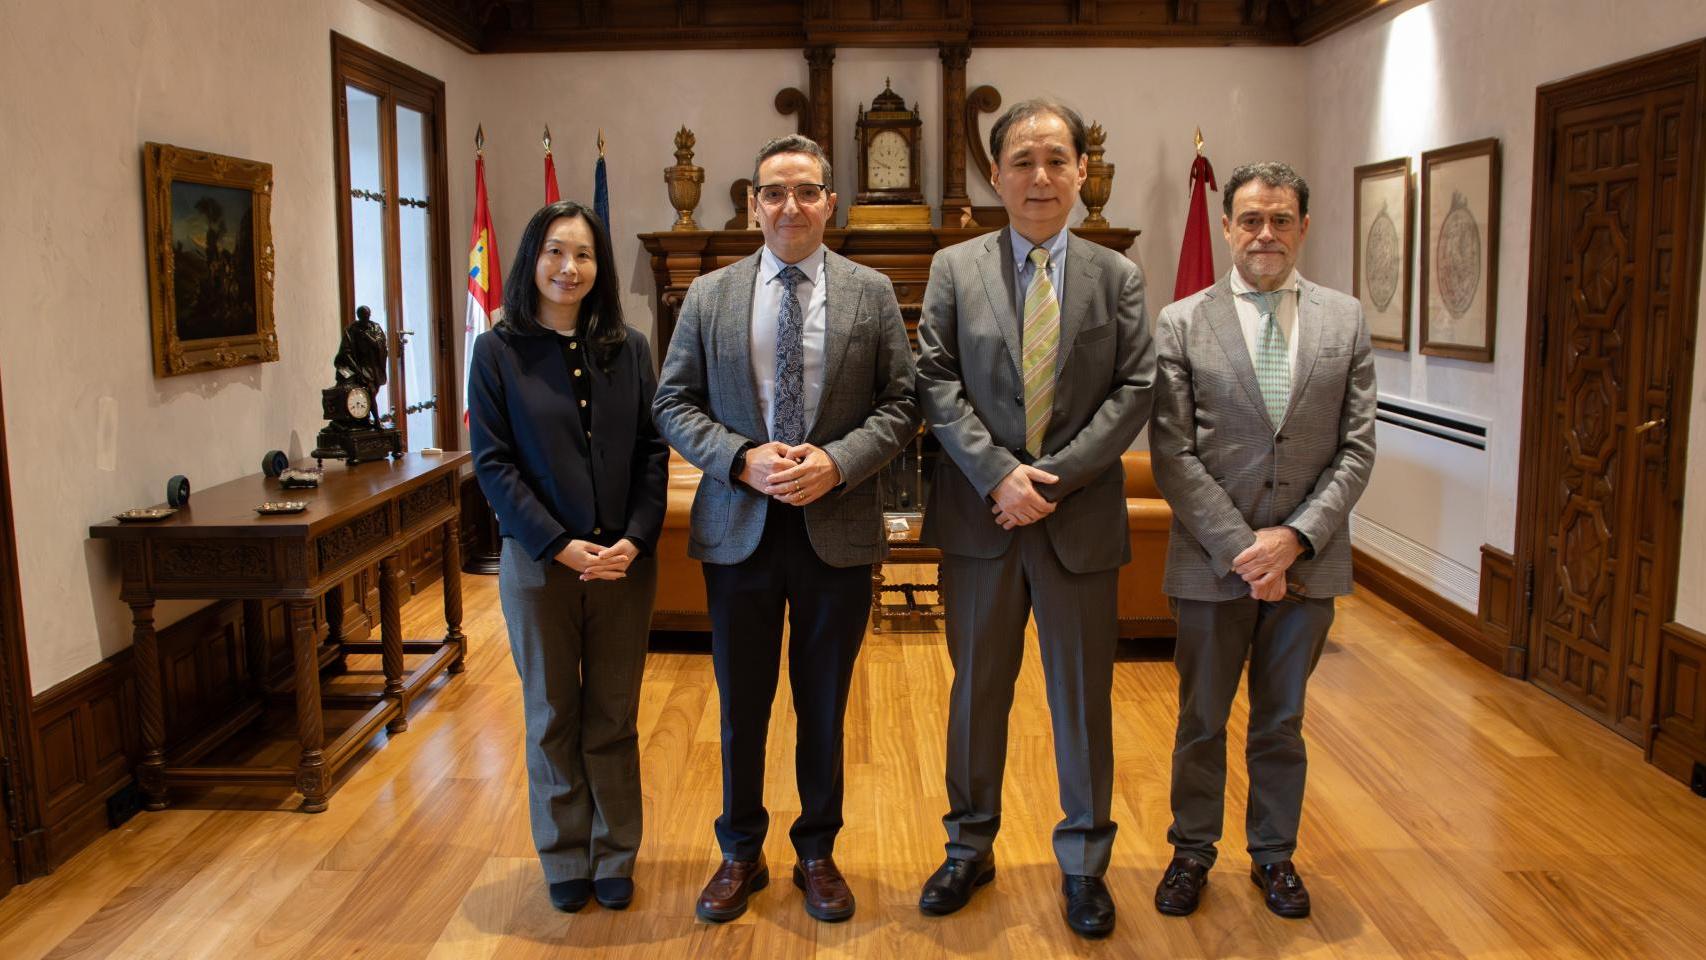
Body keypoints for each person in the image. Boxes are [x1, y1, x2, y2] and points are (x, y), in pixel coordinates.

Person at [653, 134, 919, 924]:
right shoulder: (711, 295)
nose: (789, 206)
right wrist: (740, 459)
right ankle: (740, 850)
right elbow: (673, 402)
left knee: (823, 703)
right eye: (774, 192)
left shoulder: (872, 293)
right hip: (739, 528)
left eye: (806, 191)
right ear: (753, 205)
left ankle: (816, 851)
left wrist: (839, 462)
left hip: (837, 529)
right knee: (741, 704)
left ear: (830, 203)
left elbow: (904, 403)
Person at [913, 100, 1154, 939]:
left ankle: (1085, 863)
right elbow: (935, 379)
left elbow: (1135, 389)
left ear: (1082, 172)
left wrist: (1049, 480)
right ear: (995, 174)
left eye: (1056, 160)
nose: (1040, 177)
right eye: (1022, 160)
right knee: (976, 693)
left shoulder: (1117, 276)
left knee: (1081, 700)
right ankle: (968, 847)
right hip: (981, 522)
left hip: (1077, 521)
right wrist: (997, 475)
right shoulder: (954, 268)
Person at [1148, 161, 1376, 921]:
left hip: (1309, 566)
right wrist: (1246, 550)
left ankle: (1274, 855)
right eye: (1250, 219)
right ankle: (1191, 851)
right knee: (1201, 721)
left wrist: (1295, 540)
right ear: (1226, 227)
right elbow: (1173, 453)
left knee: (1282, 722)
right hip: (1211, 565)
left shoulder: (1344, 320)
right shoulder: (1182, 322)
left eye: (1280, 219)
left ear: (1303, 226)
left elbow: (1357, 449)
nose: (1265, 234)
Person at [468, 199, 669, 914]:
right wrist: (557, 544)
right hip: (538, 565)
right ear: (533, 259)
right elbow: (493, 464)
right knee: (552, 713)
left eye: (583, 254)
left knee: (613, 713)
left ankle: (615, 852)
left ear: (598, 268)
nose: (568, 267)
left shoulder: (630, 349)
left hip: (622, 565)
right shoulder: (497, 351)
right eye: (555, 251)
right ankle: (563, 855)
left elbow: (651, 452)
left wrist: (635, 538)